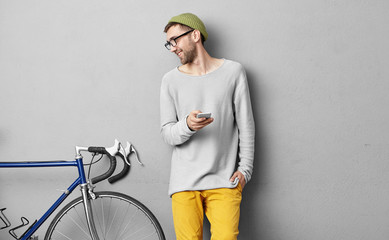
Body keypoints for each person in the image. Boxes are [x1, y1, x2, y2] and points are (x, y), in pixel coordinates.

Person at [160, 13, 255, 240]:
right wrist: (188, 125)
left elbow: (246, 126)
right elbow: (167, 134)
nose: (172, 48)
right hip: (183, 185)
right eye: (169, 44)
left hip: (224, 182)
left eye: (175, 40)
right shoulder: (170, 80)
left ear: (195, 35)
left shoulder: (233, 72)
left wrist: (245, 171)